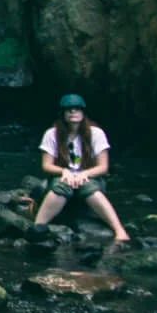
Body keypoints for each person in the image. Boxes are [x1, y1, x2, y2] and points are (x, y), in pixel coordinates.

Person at [28, 93, 131, 243]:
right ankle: (37, 227)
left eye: (77, 109)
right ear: (62, 114)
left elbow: (103, 167)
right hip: (62, 177)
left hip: (90, 176)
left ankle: (119, 230)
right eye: (69, 109)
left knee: (90, 189)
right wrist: (64, 171)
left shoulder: (96, 133)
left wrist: (85, 174)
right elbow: (46, 165)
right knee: (60, 188)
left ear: (83, 113)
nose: (73, 112)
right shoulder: (52, 134)